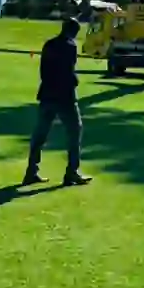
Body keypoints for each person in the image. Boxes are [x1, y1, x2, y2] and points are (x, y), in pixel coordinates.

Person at [22, 17, 92, 187]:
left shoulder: (49, 44)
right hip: (65, 97)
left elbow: (43, 71)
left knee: (40, 135)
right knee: (75, 131)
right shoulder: (70, 46)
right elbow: (68, 71)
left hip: (46, 94)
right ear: (74, 31)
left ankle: (31, 171)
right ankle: (72, 172)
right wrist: (75, 81)